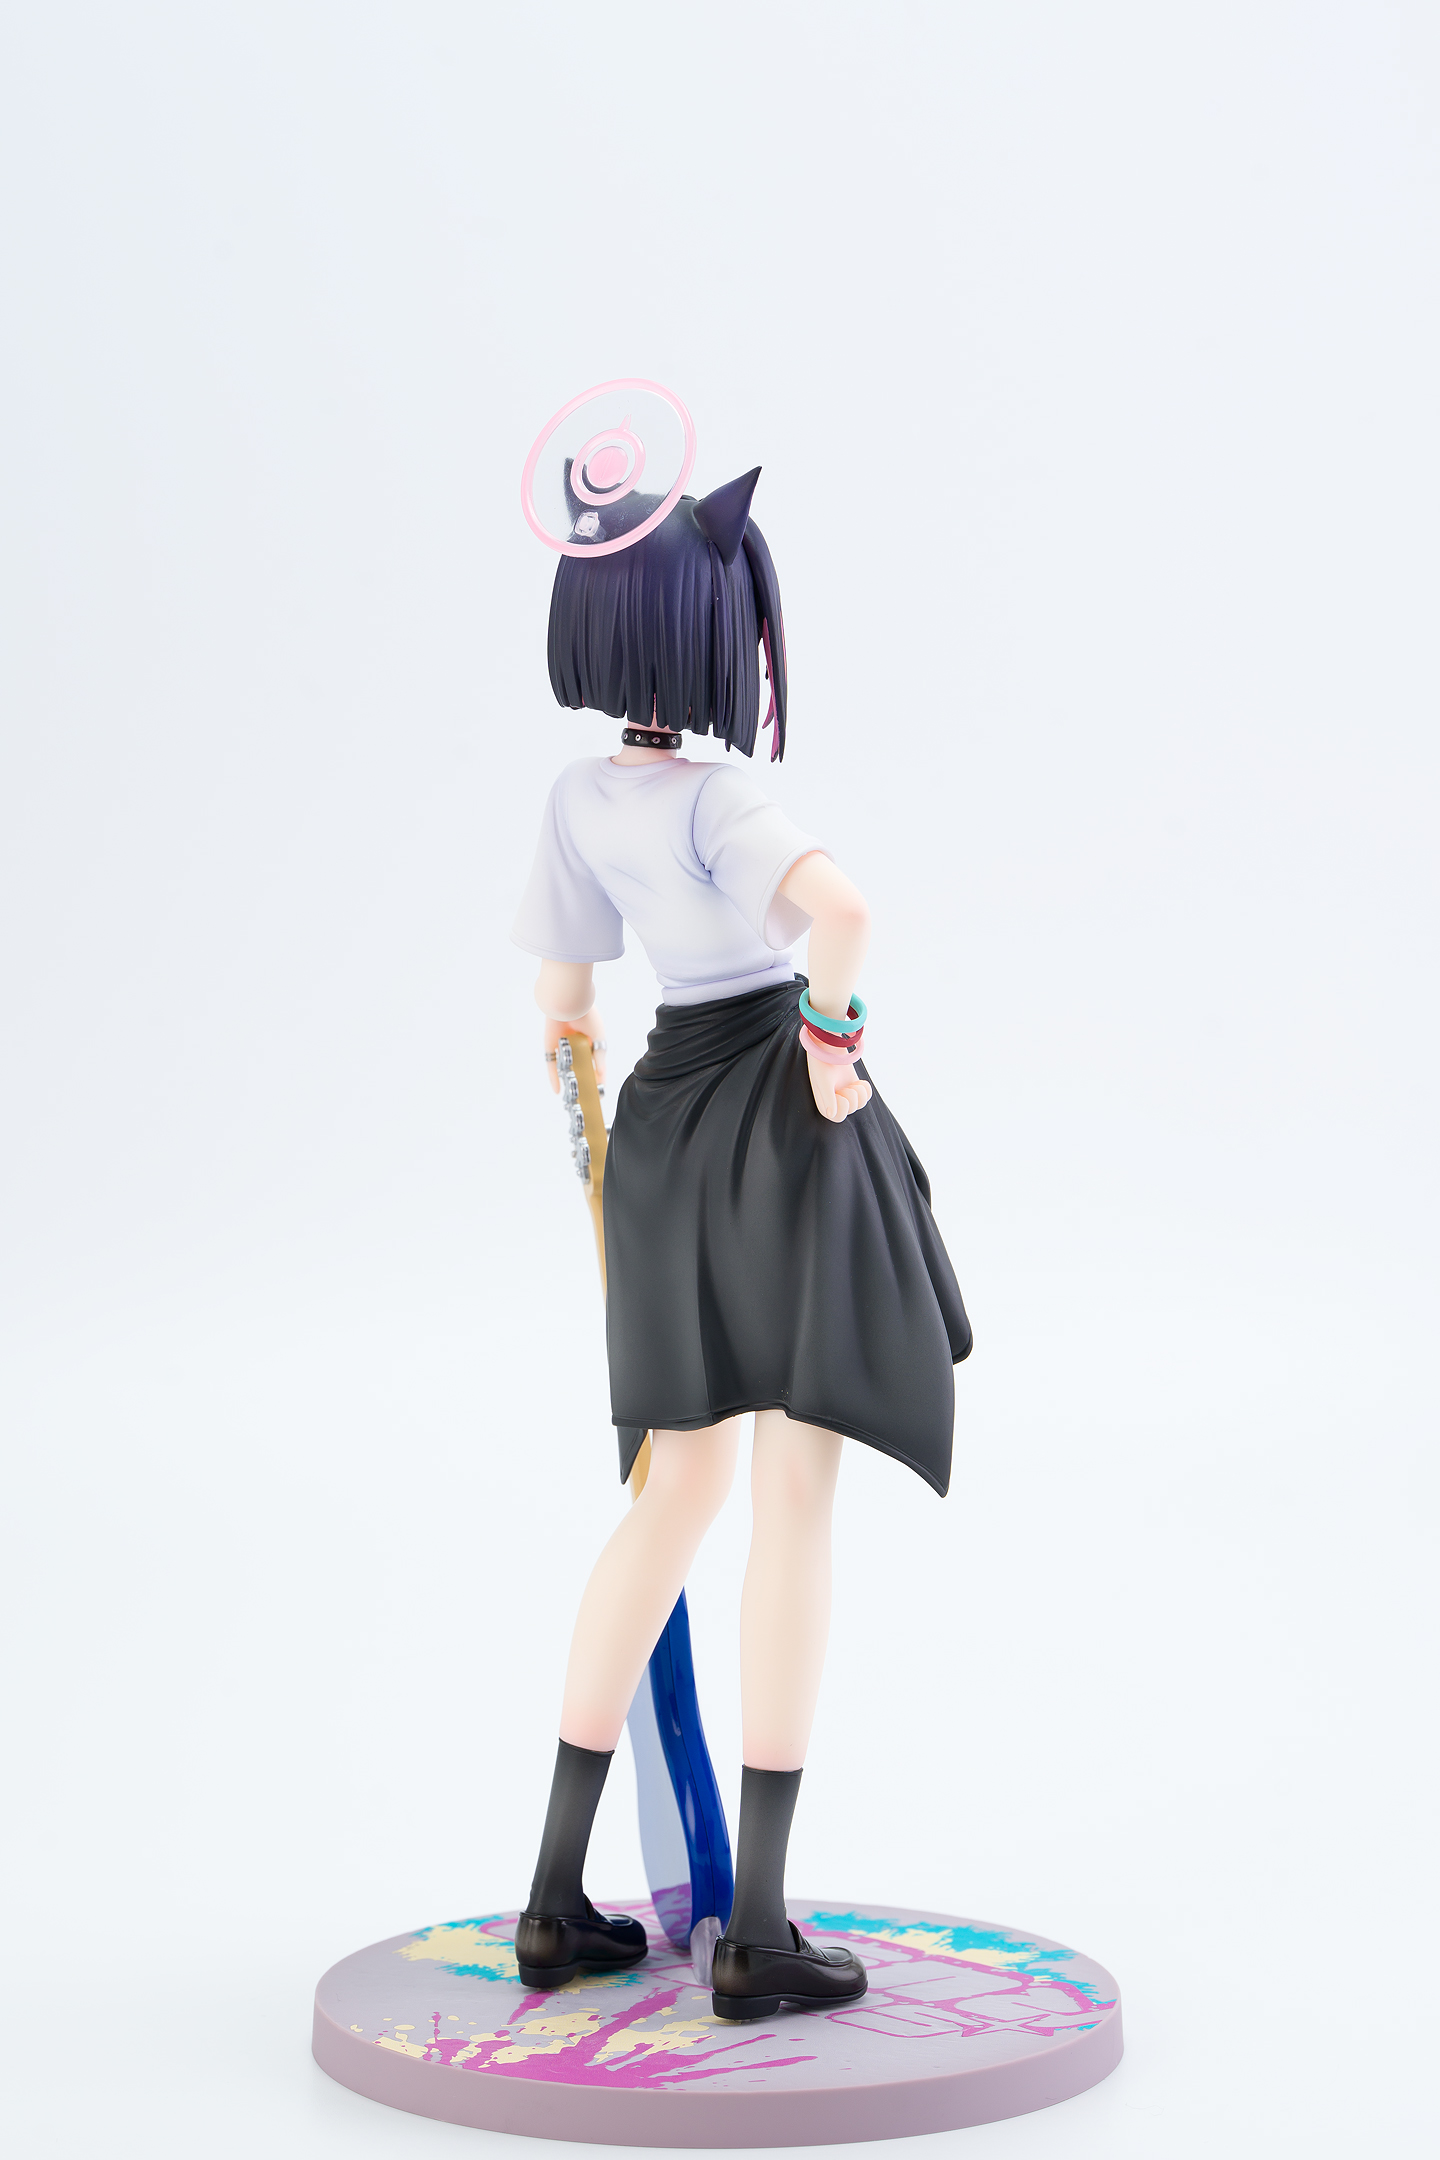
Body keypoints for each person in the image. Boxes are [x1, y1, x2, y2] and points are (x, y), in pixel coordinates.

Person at [509, 456, 971, 2022]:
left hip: (659, 1127)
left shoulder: (580, 799)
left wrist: (588, 1113)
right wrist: (836, 1049)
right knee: (793, 1499)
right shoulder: (720, 798)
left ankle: (555, 1898)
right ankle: (755, 1931)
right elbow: (845, 916)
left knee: (670, 1499)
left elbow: (564, 1003)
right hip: (776, 1124)